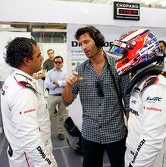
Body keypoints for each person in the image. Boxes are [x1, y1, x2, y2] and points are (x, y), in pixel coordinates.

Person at [62, 26, 130, 167]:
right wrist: (68, 86)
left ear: (98, 40)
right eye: (81, 44)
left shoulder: (117, 66)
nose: (83, 47)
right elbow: (66, 101)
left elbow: (128, 100)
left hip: (116, 133)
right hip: (90, 134)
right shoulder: (79, 70)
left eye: (86, 42)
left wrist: (134, 131)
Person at [108, 29, 166, 167]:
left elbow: (152, 138)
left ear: (139, 52)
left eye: (123, 54)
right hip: (133, 152)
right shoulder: (142, 80)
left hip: (147, 161)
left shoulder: (155, 86)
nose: (119, 59)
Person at [1, 37, 57, 167]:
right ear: (26, 61)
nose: (42, 58)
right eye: (38, 55)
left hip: (30, 153)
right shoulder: (22, 92)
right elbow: (30, 139)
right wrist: (46, 164)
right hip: (31, 161)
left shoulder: (16, 79)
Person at [45, 55, 68, 140]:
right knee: (48, 116)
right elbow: (47, 85)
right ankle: (46, 133)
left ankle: (60, 133)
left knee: (62, 116)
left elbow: (67, 83)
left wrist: (57, 82)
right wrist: (58, 85)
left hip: (63, 97)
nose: (58, 63)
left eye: (59, 62)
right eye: (56, 62)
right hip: (52, 97)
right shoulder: (49, 73)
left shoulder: (66, 72)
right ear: (54, 63)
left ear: (62, 63)